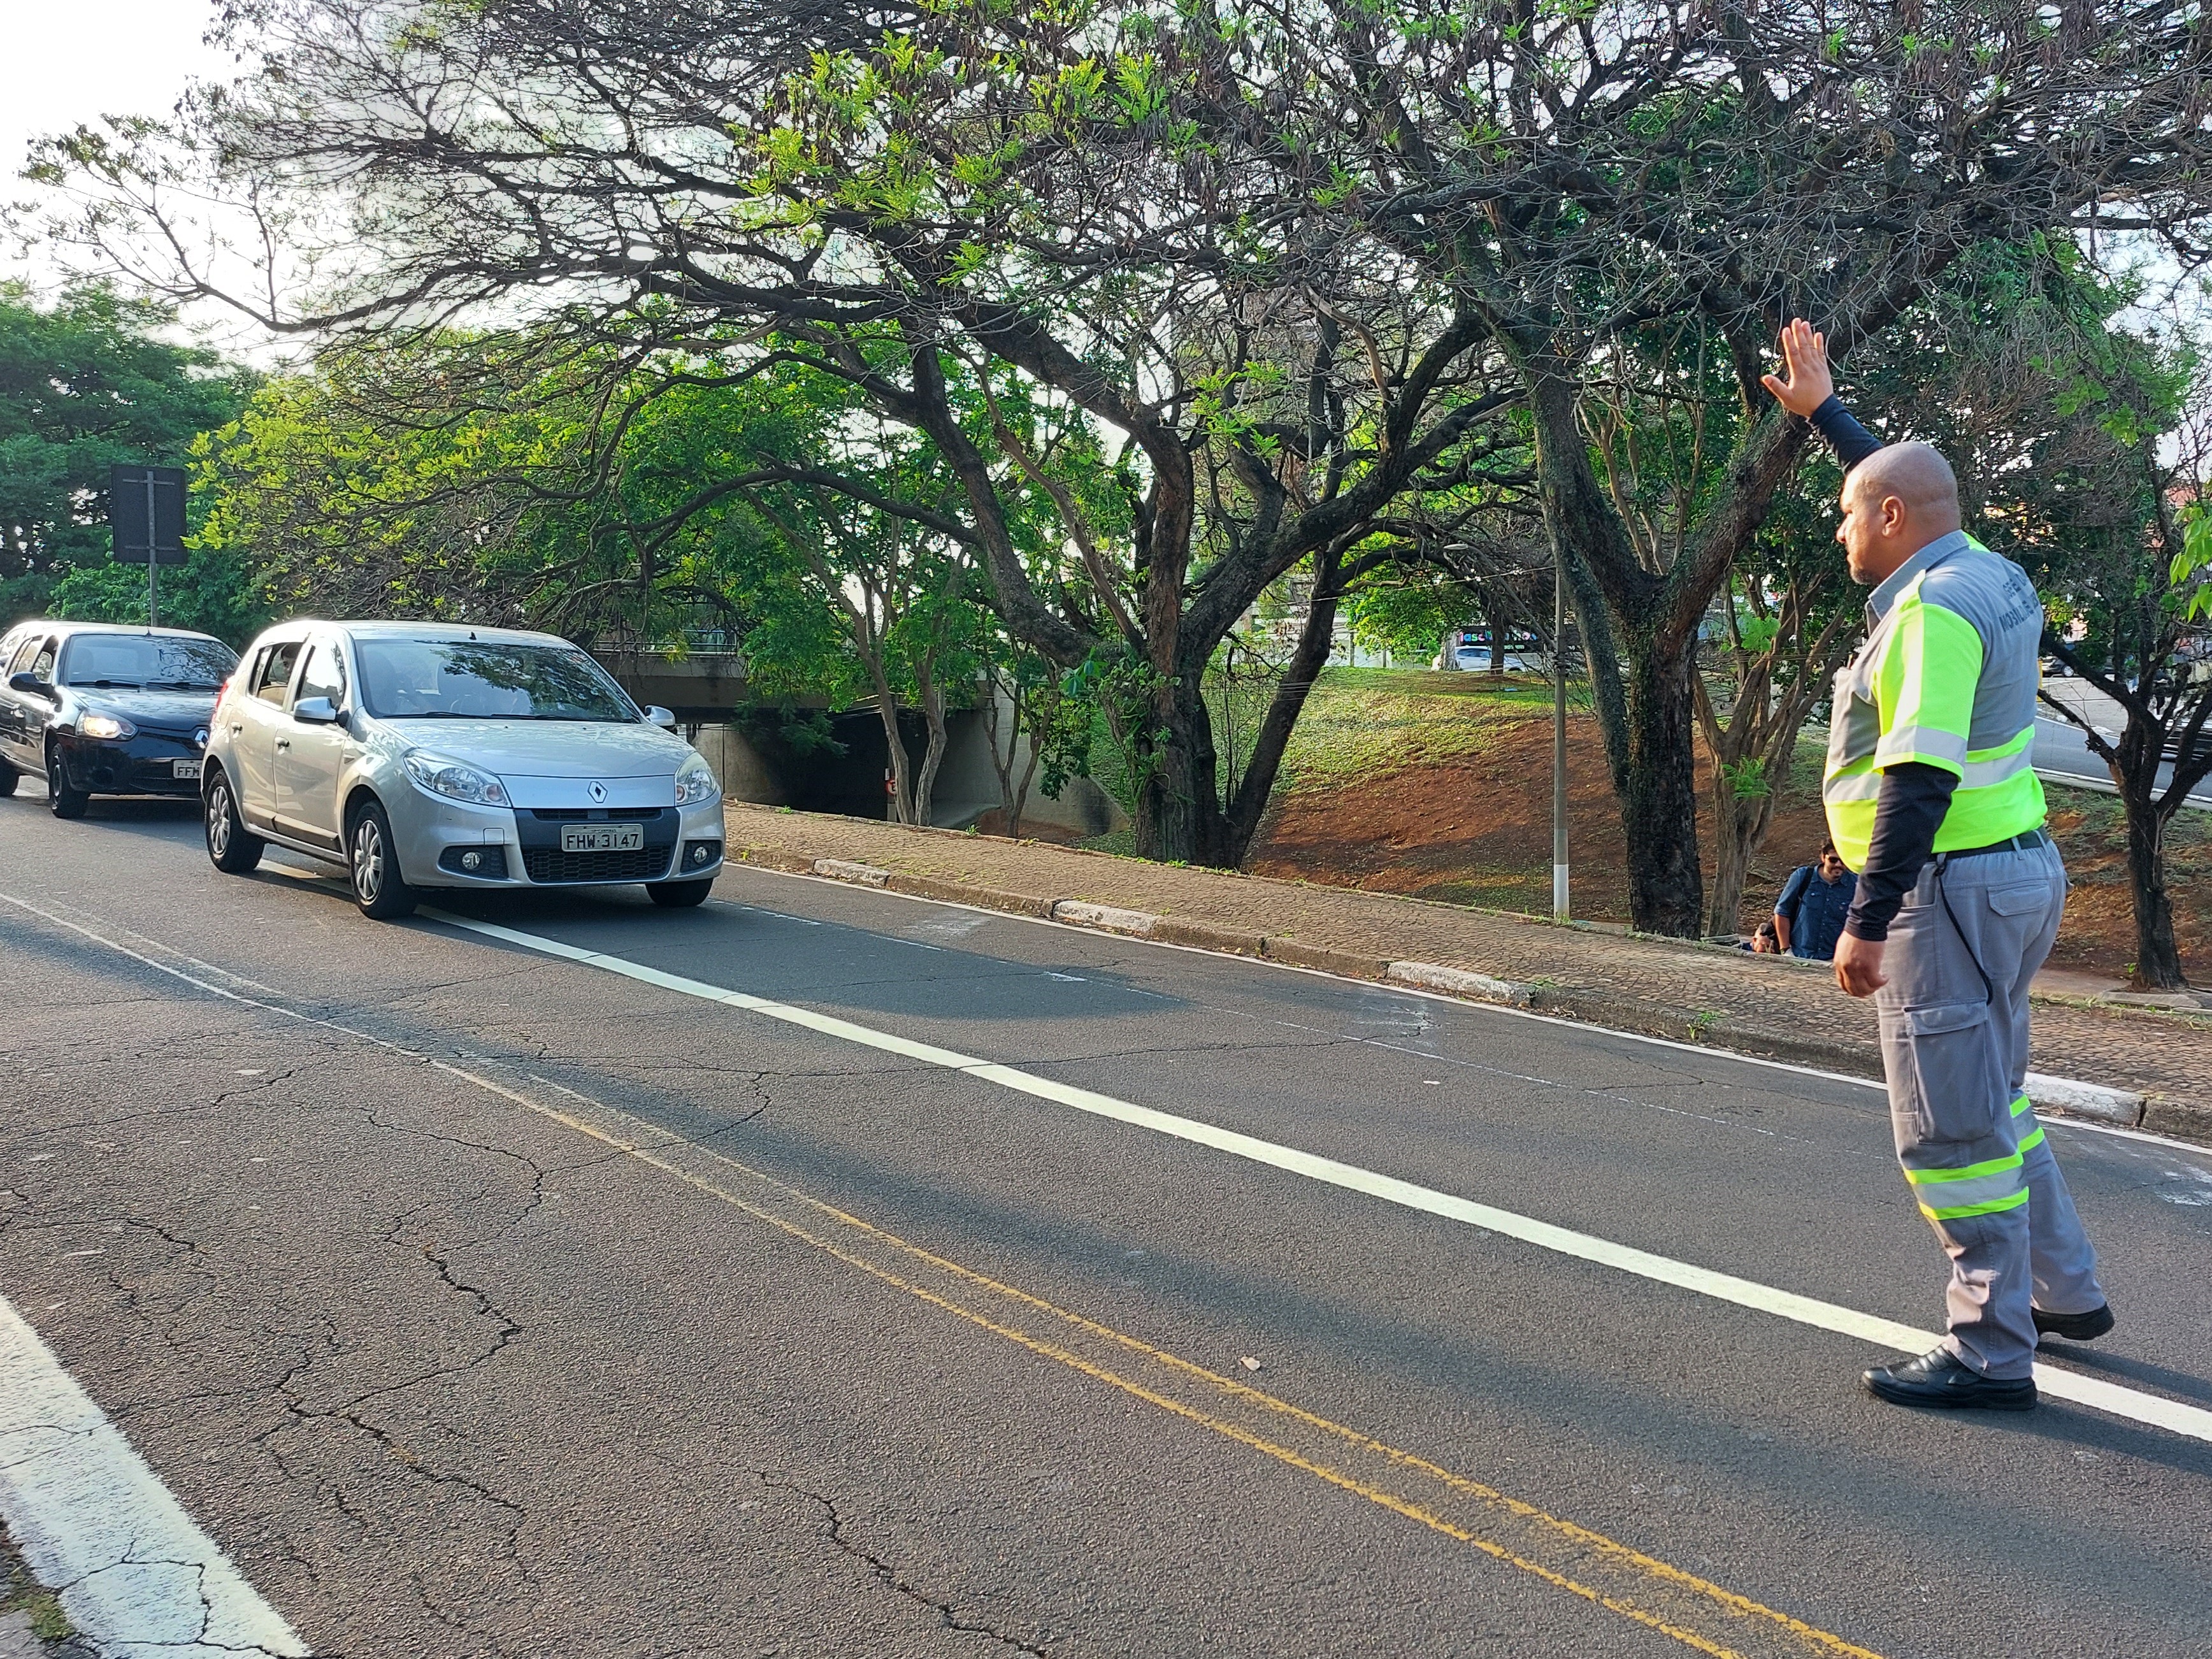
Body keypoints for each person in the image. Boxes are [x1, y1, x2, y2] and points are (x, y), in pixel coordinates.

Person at [1763, 318, 2111, 1412]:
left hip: (1944, 892)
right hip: (2011, 876)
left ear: (1890, 522)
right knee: (1994, 1098)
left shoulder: (1930, 613)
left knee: (1951, 1130)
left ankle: (1989, 1349)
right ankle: (2064, 1291)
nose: (1838, 531)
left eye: (1846, 516)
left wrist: (1866, 920)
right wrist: (1826, 415)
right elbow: (1905, 484)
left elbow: (1917, 776)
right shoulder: (1987, 570)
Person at [1772, 839, 1857, 961]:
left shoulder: (1856, 884)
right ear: (1823, 857)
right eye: (1833, 860)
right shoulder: (1803, 876)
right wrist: (1785, 950)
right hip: (1800, 956)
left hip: (1835, 960)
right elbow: (1782, 912)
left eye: (1843, 860)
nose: (1838, 864)